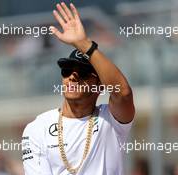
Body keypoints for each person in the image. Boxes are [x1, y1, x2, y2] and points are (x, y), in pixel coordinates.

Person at [22, 2, 135, 175]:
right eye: (67, 71)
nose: (72, 76)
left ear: (100, 86)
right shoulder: (38, 128)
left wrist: (84, 44)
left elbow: (123, 93)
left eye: (82, 73)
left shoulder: (111, 121)